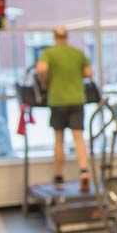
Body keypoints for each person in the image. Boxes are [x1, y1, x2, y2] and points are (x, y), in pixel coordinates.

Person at [36, 27, 93, 192]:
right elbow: (89, 73)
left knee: (59, 139)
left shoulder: (49, 53)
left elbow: (41, 69)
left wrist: (44, 82)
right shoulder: (77, 53)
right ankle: (83, 171)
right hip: (77, 99)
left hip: (58, 100)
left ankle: (59, 177)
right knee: (79, 138)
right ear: (66, 37)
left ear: (54, 37)